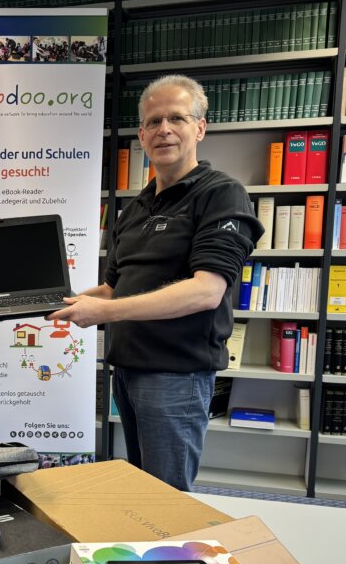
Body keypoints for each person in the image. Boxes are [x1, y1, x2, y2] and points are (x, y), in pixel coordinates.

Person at [49, 74, 260, 492]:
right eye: (153, 121)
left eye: (177, 118)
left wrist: (104, 312)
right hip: (128, 371)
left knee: (168, 498)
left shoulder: (221, 194)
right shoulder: (135, 208)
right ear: (142, 136)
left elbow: (206, 291)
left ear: (200, 128)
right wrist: (52, 300)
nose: (164, 129)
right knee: (145, 491)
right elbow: (113, 288)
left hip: (176, 377)